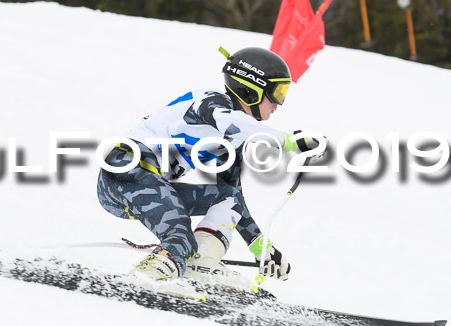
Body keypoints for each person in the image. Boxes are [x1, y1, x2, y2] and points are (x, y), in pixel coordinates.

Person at [96, 47, 325, 285]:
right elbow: (231, 122)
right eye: (277, 92)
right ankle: (148, 277)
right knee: (180, 234)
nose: (279, 104)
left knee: (228, 197)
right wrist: (289, 142)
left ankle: (200, 264)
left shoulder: (230, 138)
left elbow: (232, 193)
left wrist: (260, 246)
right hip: (127, 167)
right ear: (251, 90)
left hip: (145, 186)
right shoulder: (210, 101)